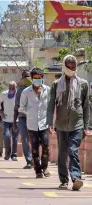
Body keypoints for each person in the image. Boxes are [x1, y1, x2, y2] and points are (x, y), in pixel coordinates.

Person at [47, 55, 91, 191]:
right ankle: (63, 180)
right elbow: (51, 104)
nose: (71, 68)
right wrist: (49, 123)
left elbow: (86, 106)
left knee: (72, 150)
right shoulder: (56, 84)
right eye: (69, 65)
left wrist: (87, 125)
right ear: (64, 66)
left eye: (73, 65)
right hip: (60, 124)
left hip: (77, 124)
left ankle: (76, 178)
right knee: (62, 154)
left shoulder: (83, 84)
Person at [19, 68, 51, 178]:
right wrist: (30, 113)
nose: (37, 80)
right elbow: (21, 108)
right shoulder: (26, 92)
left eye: (39, 78)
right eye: (35, 78)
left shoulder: (48, 90)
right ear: (32, 79)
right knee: (35, 148)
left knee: (46, 147)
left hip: (44, 123)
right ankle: (38, 170)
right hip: (32, 124)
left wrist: (51, 122)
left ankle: (45, 167)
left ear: (42, 78)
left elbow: (51, 107)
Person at [13, 70, 33, 168]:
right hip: (22, 118)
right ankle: (29, 161)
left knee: (35, 140)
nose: (27, 78)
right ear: (22, 78)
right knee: (24, 139)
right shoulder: (20, 90)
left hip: (34, 118)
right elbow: (16, 107)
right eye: (25, 76)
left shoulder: (39, 88)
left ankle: (35, 159)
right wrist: (14, 122)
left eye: (29, 76)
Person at [0, 81, 19, 160]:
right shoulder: (4, 94)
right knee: (7, 136)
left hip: (16, 120)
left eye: (13, 87)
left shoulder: (19, 94)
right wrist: (1, 113)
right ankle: (7, 153)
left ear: (15, 87)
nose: (11, 89)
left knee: (15, 138)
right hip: (6, 120)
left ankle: (14, 155)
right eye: (10, 87)